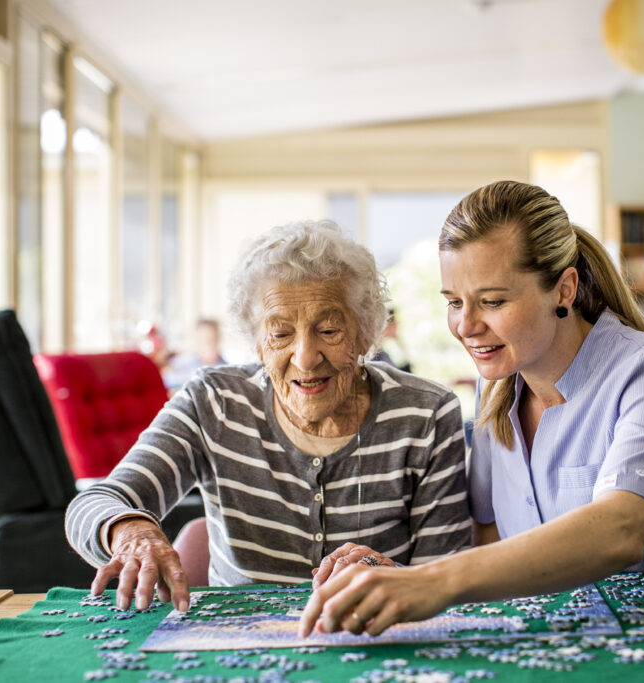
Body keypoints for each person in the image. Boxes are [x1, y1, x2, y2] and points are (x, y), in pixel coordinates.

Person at [299, 180, 644, 638]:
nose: (466, 325)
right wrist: (399, 575)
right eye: (454, 302)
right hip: (575, 637)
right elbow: (491, 538)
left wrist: (431, 582)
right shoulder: (496, 388)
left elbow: (618, 532)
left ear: (564, 289)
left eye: (493, 301)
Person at [65, 219, 470, 612]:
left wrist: (393, 575)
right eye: (280, 334)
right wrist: (132, 532)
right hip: (233, 649)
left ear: (366, 332)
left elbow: (449, 579)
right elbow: (94, 502)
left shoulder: (425, 413)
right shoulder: (214, 401)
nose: (306, 358)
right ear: (257, 343)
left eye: (329, 330)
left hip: (375, 638)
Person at [162, 318, 227, 390]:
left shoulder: (227, 369)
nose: (209, 343)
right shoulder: (180, 364)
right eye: (204, 339)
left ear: (218, 338)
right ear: (196, 339)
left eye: (212, 338)